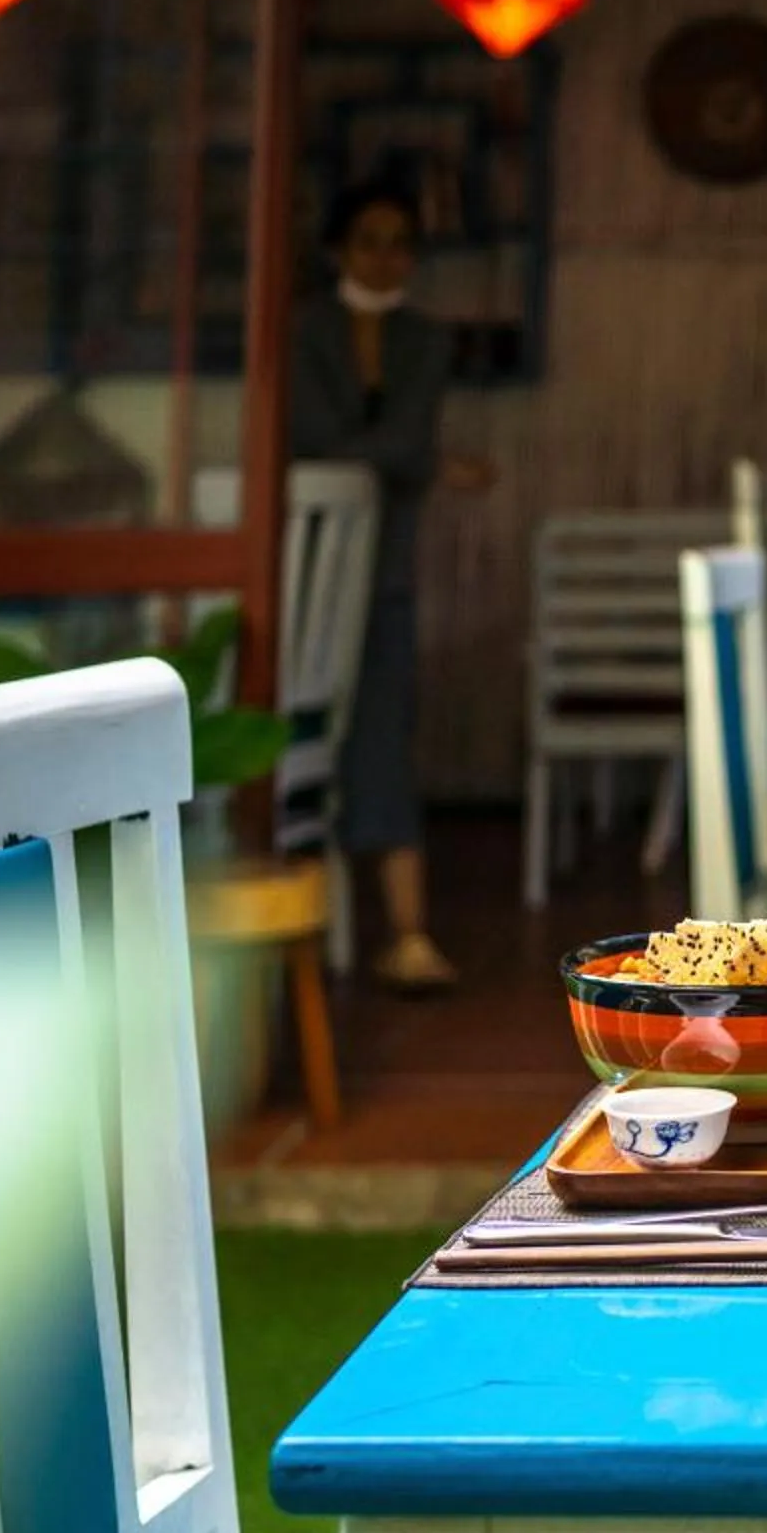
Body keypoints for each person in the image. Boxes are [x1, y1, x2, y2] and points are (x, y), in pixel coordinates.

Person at [292, 181, 492, 992]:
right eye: (370, 238)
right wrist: (419, 462)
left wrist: (412, 459)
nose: (387, 255)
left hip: (385, 566)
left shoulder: (424, 340)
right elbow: (308, 435)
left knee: (383, 732)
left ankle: (406, 932)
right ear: (340, 247)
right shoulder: (303, 329)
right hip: (300, 571)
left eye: (401, 240)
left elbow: (405, 442)